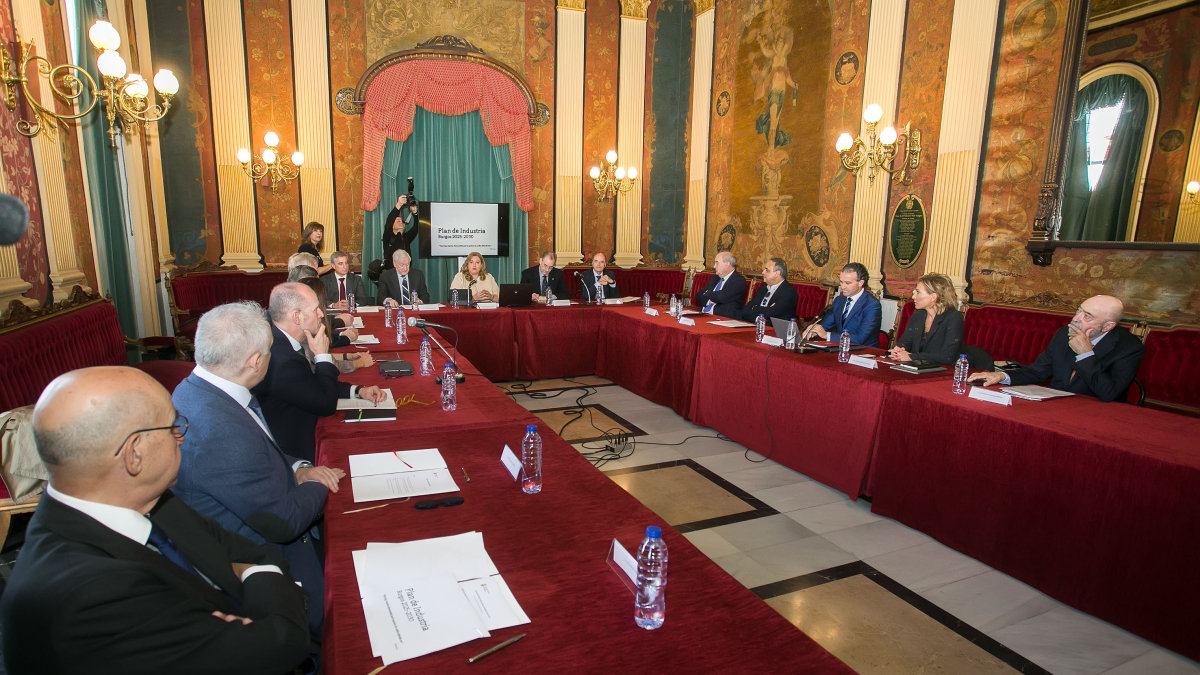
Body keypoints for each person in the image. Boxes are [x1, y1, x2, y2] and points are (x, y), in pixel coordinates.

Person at [0, 366, 312, 675]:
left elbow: (257, 555)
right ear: (134, 454)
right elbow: (278, 646)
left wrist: (253, 576)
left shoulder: (150, 500)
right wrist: (260, 584)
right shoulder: (91, 595)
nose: (181, 438)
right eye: (172, 426)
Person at [173, 303, 343, 638]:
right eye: (269, 351)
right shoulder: (221, 429)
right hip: (268, 562)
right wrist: (322, 481)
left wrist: (299, 468)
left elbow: (259, 451)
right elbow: (283, 521)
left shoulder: (196, 387)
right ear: (255, 361)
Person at [251, 283, 385, 462]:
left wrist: (358, 390)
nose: (321, 314)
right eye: (316, 310)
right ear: (297, 317)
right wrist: (322, 357)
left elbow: (309, 384)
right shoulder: (283, 359)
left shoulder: (280, 340)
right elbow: (325, 403)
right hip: (292, 451)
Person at [967, 295, 1145, 402]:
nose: (1076, 318)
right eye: (1079, 310)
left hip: (1096, 414)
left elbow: (1108, 393)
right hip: (1055, 406)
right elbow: (1038, 372)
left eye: (1087, 316)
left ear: (1107, 326)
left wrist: (1086, 355)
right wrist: (1001, 376)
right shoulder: (1063, 334)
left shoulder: (1129, 348)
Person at [888, 274, 964, 366]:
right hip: (918, 367)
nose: (913, 296)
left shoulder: (953, 317)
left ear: (933, 297)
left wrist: (912, 357)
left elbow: (947, 356)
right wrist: (897, 350)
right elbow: (904, 342)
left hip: (943, 369)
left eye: (918, 292)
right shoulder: (919, 314)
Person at [802, 262, 882, 347]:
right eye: (841, 282)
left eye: (847, 283)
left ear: (860, 283)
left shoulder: (872, 305)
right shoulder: (839, 300)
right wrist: (814, 331)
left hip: (865, 351)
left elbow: (860, 338)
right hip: (842, 348)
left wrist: (826, 335)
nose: (843, 287)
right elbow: (826, 325)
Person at [740, 257, 798, 322]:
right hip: (755, 325)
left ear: (777, 273)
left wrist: (754, 308)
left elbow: (771, 314)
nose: (763, 272)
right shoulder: (762, 289)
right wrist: (758, 319)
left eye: (767, 270)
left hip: (774, 328)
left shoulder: (789, 292)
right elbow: (745, 310)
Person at [695, 251, 747, 318]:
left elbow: (721, 297)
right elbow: (698, 295)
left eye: (717, 263)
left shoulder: (738, 280)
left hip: (723, 317)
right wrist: (708, 301)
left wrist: (707, 293)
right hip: (704, 315)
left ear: (727, 264)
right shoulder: (715, 278)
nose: (714, 266)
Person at [381, 194, 419, 270]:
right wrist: (398, 205)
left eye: (402, 221)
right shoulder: (388, 237)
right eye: (398, 221)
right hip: (391, 273)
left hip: (406, 271)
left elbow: (416, 228)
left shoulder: (406, 238)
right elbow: (388, 223)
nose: (401, 223)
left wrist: (415, 214)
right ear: (392, 225)